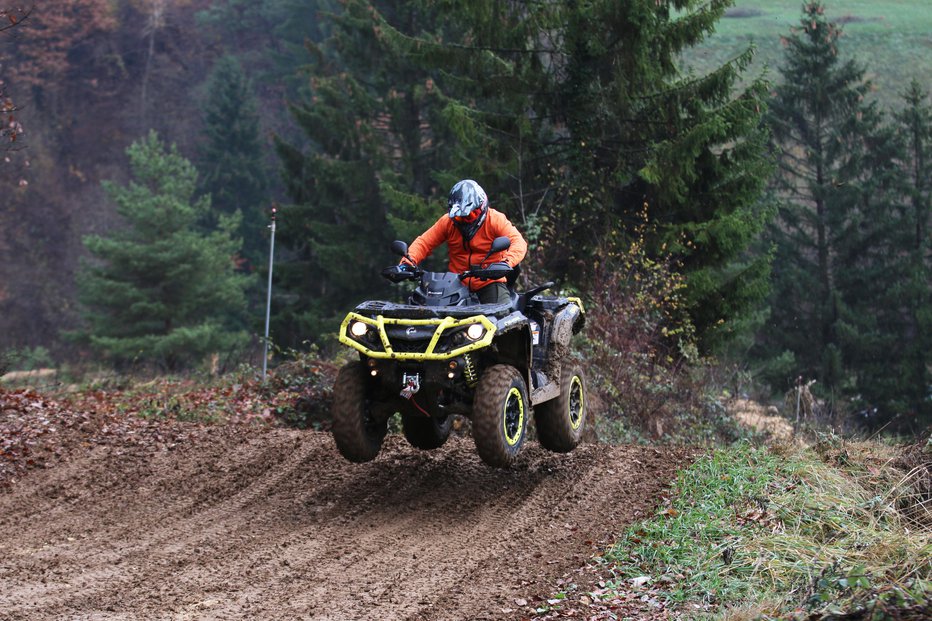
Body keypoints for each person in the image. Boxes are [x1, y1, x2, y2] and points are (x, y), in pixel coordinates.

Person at [403, 179, 527, 304]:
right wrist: (406, 264)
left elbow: (518, 242)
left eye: (471, 215)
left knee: (501, 314)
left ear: (481, 208)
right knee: (427, 313)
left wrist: (505, 263)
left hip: (489, 281)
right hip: (455, 284)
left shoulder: (495, 220)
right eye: (459, 216)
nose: (465, 220)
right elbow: (424, 242)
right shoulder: (447, 222)